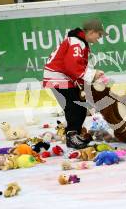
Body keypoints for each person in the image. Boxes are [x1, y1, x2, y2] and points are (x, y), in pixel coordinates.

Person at [43, 19, 106, 149]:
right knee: (75, 107)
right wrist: (92, 74)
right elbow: (72, 66)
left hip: (61, 77)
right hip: (58, 77)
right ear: (92, 32)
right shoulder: (77, 43)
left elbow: (75, 67)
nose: (99, 38)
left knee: (79, 106)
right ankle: (72, 137)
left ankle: (74, 135)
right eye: (99, 35)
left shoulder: (78, 42)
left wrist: (88, 80)